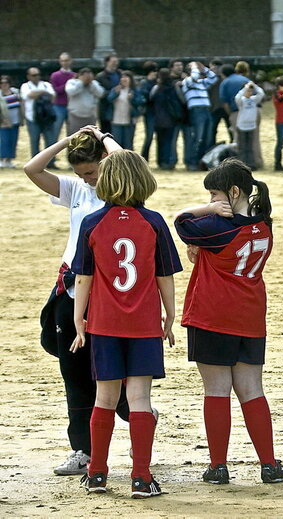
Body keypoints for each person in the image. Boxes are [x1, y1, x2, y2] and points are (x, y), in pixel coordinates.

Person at [24, 127, 134, 476]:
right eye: (79, 173)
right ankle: (82, 450)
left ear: (104, 162)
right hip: (71, 286)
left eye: (90, 172)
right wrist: (68, 140)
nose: (86, 179)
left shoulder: (121, 188)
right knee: (73, 371)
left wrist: (102, 137)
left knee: (110, 367)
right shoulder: (75, 189)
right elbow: (32, 169)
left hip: (107, 290)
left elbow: (125, 161)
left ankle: (136, 414)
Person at [71, 150, 181, 497]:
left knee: (105, 397)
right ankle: (141, 478)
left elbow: (84, 277)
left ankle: (97, 474)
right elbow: (165, 275)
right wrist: (170, 314)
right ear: (142, 180)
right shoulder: (154, 221)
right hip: (144, 324)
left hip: (104, 324)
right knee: (140, 399)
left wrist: (79, 319)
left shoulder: (92, 222)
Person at [174, 158, 283, 485]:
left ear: (233, 192)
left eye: (215, 194)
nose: (212, 200)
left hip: (212, 314)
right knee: (252, 388)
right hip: (250, 314)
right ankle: (269, 464)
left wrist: (203, 210)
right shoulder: (264, 225)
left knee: (216, 389)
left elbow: (181, 222)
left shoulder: (217, 227)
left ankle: (218, 465)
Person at [181, 61, 219, 170]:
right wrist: (194, 66)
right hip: (196, 110)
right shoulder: (187, 81)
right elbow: (194, 77)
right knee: (198, 137)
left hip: (206, 110)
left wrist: (205, 69)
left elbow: (214, 78)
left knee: (207, 137)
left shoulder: (201, 83)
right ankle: (192, 162)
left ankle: (203, 162)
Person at [21, 67, 57, 166]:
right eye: (34, 75)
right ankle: (35, 164)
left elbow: (53, 96)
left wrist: (38, 93)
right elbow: (29, 95)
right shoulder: (25, 86)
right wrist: (43, 92)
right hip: (32, 117)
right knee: (34, 141)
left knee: (51, 142)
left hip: (47, 117)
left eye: (38, 75)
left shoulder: (46, 84)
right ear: (28, 76)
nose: (36, 77)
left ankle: (51, 163)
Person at [150, 68, 184, 170]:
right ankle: (168, 161)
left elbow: (150, 99)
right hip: (171, 119)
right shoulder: (174, 87)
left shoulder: (156, 88)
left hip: (158, 119)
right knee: (169, 142)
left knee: (160, 142)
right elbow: (182, 99)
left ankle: (160, 161)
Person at [106, 71, 143, 151]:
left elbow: (140, 102)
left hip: (129, 121)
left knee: (128, 145)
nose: (124, 79)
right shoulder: (116, 89)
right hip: (116, 120)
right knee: (117, 143)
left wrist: (132, 99)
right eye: (122, 77)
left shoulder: (135, 90)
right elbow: (109, 99)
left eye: (126, 77)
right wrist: (116, 93)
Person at [65, 68, 105, 136]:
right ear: (80, 76)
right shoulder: (72, 82)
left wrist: (91, 84)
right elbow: (70, 92)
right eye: (85, 76)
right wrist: (82, 83)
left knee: (90, 138)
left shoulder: (94, 84)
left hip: (90, 116)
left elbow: (100, 93)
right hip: (75, 116)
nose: (87, 78)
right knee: (74, 138)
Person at [234, 81, 262, 169]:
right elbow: (237, 97)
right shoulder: (241, 101)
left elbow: (261, 93)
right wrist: (245, 88)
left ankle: (251, 164)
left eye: (251, 91)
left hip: (251, 126)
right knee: (242, 147)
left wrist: (254, 86)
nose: (249, 93)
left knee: (250, 147)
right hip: (242, 126)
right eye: (248, 91)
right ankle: (241, 165)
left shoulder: (254, 100)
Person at [50, 52, 75, 140]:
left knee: (72, 134)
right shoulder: (55, 75)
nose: (65, 63)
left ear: (71, 61)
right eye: (63, 61)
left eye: (67, 60)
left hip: (72, 107)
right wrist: (68, 84)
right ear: (60, 62)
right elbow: (56, 90)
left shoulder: (74, 75)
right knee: (55, 132)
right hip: (58, 106)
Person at [138, 61, 158, 161]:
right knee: (149, 136)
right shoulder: (144, 83)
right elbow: (145, 96)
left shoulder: (157, 82)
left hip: (157, 112)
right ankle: (144, 157)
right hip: (149, 112)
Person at [96, 54, 121, 133]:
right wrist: (113, 93)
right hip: (106, 110)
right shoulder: (100, 77)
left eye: (116, 62)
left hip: (120, 108)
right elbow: (99, 93)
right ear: (107, 62)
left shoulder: (120, 74)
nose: (115, 64)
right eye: (113, 61)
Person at [0, 76, 22, 168]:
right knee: (4, 141)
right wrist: (3, 120)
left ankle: (9, 160)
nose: (4, 85)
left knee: (13, 141)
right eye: (2, 83)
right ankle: (1, 160)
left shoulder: (15, 92)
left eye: (6, 83)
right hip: (3, 122)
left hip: (15, 121)